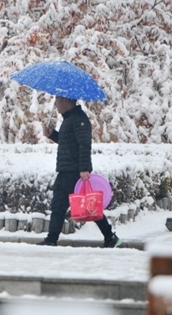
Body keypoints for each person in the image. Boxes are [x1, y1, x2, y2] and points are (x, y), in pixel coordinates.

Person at [38, 96, 120, 248]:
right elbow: (68, 142)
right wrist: (52, 134)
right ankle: (52, 239)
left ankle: (109, 236)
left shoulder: (79, 120)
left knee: (86, 207)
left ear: (66, 102)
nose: (55, 106)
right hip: (67, 170)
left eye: (57, 102)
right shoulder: (70, 119)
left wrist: (84, 169)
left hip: (74, 172)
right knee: (64, 206)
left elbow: (84, 145)